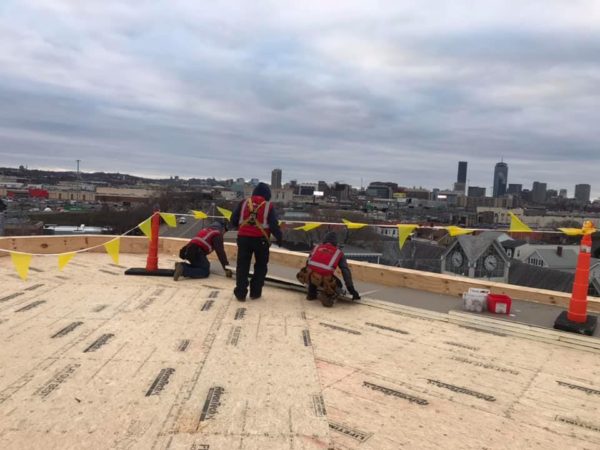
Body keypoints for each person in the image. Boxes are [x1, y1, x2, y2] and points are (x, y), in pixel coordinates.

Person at [231, 182, 282, 301]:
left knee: (242, 266)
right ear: (267, 195)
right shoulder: (268, 206)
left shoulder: (243, 203)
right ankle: (255, 292)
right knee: (260, 266)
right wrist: (279, 238)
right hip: (261, 240)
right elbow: (274, 225)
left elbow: (233, 220)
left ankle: (240, 293)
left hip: (243, 239)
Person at [297, 231, 360, 307]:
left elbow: (308, 264)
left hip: (307, 276)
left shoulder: (317, 247)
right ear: (335, 243)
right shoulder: (338, 253)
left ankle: (311, 294)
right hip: (323, 279)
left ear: (325, 240)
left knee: (312, 272)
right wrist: (351, 290)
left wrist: (311, 284)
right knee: (338, 284)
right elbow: (345, 271)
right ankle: (327, 297)